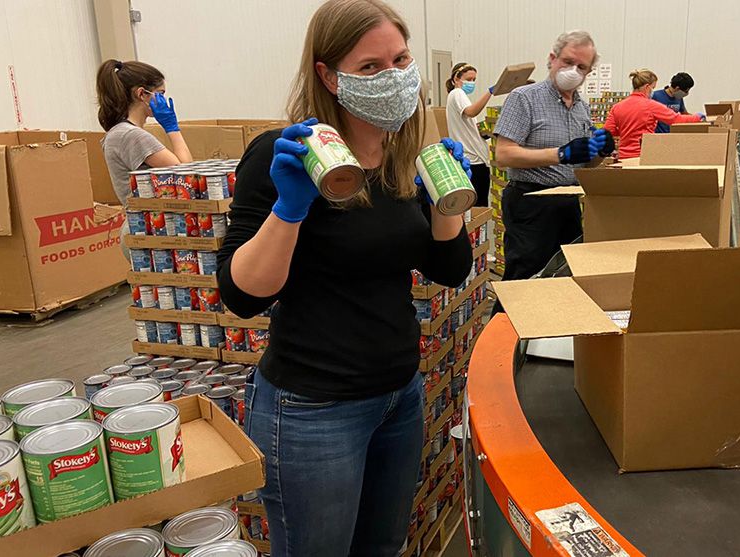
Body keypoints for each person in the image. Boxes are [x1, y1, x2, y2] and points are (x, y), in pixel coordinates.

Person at [215, 1, 472, 555]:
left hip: (398, 396)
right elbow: (241, 296)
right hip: (313, 409)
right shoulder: (285, 156)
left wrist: (446, 198)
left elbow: (450, 269)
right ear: (329, 76)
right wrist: (290, 208)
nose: (395, 77)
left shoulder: (401, 154)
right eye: (371, 67)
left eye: (401, 60)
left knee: (381, 548)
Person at [493, 29, 614, 284]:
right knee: (524, 279)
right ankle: (503, 322)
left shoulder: (582, 107)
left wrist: (600, 153)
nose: (573, 71)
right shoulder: (524, 98)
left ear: (588, 72)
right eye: (568, 62)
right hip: (531, 203)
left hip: (567, 202)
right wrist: (560, 154)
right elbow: (503, 155)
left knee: (563, 277)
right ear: (553, 58)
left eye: (581, 67)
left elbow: (584, 164)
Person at [96, 59, 192, 205]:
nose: (163, 100)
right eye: (160, 94)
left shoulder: (119, 132)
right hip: (148, 224)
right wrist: (172, 128)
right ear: (141, 94)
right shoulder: (132, 135)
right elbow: (187, 176)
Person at [604, 69, 703, 159]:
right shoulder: (651, 106)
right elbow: (675, 119)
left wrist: (625, 129)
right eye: (653, 87)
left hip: (623, 157)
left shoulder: (617, 107)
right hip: (643, 156)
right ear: (647, 87)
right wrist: (698, 117)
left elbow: (608, 131)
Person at [445, 62, 496, 205]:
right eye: (468, 79)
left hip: (474, 159)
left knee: (475, 207)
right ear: (456, 79)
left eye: (474, 80)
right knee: (478, 208)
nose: (472, 83)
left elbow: (467, 123)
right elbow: (471, 111)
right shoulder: (457, 93)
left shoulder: (458, 97)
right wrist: (490, 92)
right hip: (473, 161)